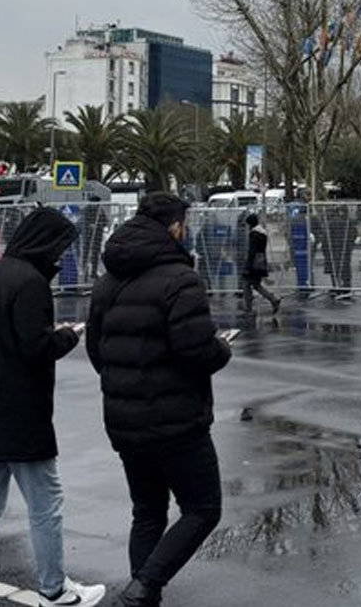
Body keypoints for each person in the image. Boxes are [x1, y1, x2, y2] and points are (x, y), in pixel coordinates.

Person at [0, 208, 105, 607]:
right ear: (45, 243)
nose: (60, 256)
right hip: (19, 414)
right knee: (46, 503)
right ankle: (53, 590)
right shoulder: (31, 284)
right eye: (59, 247)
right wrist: (68, 336)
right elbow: (36, 348)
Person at [87, 193, 232, 607]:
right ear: (174, 228)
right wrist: (222, 349)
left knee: (148, 510)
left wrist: (127, 383)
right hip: (177, 421)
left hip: (124, 418)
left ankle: (142, 597)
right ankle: (143, 588)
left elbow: (97, 349)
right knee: (203, 508)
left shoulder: (108, 280)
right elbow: (197, 351)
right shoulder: (179, 278)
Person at [241, 213, 281, 313]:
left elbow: (252, 251)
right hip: (261, 261)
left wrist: (248, 265)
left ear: (250, 224)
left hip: (254, 262)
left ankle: (248, 307)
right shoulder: (262, 233)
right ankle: (273, 300)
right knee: (255, 284)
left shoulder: (254, 234)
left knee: (247, 283)